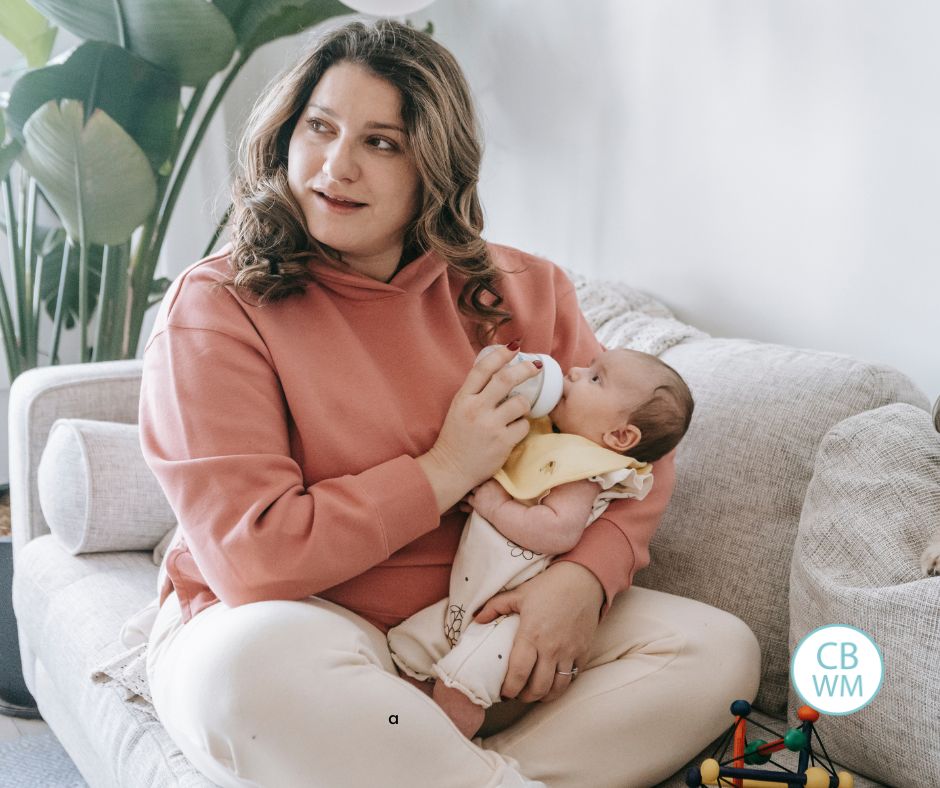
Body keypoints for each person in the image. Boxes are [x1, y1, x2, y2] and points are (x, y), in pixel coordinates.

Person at [139, 18, 761, 788]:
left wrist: (583, 581)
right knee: (246, 675)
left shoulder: (523, 290)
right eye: (319, 128)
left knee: (719, 653)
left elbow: (629, 456)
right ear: (284, 136)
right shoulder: (220, 305)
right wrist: (444, 469)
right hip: (305, 624)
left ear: (435, 165)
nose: (336, 167)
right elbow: (251, 560)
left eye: (382, 143)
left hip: (484, 629)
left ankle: (432, 769)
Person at [388, 349, 695, 739]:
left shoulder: (583, 471)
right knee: (408, 654)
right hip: (471, 596)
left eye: (595, 379)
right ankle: (402, 730)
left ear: (620, 436)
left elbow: (558, 531)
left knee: (461, 689)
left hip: (514, 614)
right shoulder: (551, 437)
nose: (575, 370)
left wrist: (495, 507)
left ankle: (446, 751)